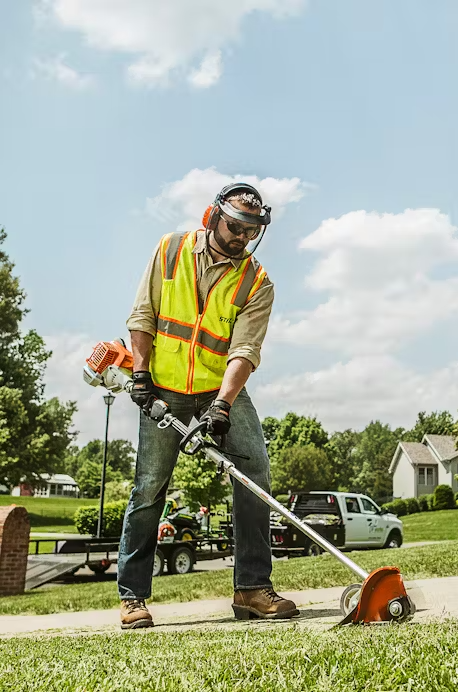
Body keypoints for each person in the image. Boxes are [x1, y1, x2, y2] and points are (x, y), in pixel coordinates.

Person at [118, 182, 299, 629]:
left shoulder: (257, 281)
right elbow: (143, 315)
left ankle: (252, 588)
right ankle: (133, 597)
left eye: (250, 231)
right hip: (164, 388)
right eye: (235, 226)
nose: (241, 237)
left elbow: (245, 351)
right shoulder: (170, 250)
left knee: (254, 474)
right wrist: (140, 375)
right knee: (149, 488)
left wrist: (221, 407)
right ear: (210, 217)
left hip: (222, 391)